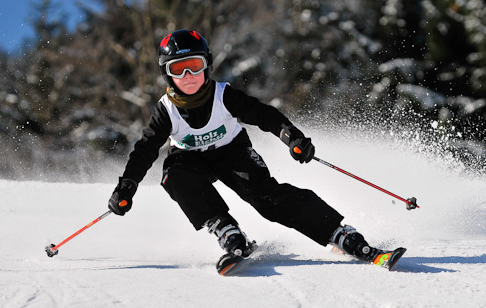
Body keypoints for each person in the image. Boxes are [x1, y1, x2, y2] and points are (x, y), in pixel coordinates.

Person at [108, 29, 379, 270]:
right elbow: (146, 149)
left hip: (232, 153)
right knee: (174, 175)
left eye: (194, 66)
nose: (188, 76)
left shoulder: (223, 95)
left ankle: (338, 233)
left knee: (267, 199)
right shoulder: (165, 109)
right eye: (179, 69)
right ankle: (225, 229)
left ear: (208, 66)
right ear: (167, 74)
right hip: (189, 160)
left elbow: (263, 114)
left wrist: (291, 138)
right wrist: (127, 186)